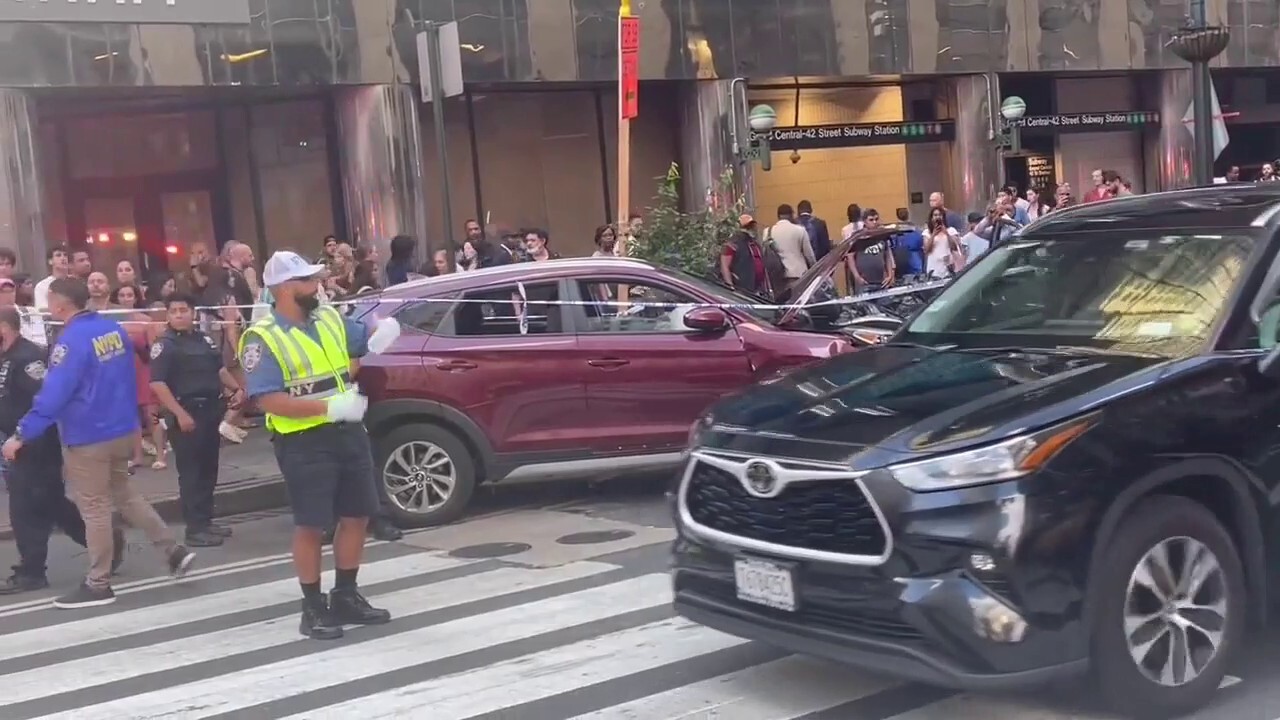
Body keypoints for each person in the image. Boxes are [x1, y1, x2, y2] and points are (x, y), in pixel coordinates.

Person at [2, 278, 195, 608]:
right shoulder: (112, 330)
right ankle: (171, 549)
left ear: (61, 305)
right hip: (120, 427)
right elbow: (126, 376)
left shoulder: (70, 341)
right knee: (125, 495)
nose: (48, 307)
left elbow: (54, 394)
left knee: (94, 509)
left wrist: (21, 435)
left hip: (87, 433)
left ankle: (98, 582)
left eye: (50, 301)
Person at [239, 251, 398, 639]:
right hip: (303, 440)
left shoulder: (327, 316)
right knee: (312, 524)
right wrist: (329, 408)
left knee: (357, 515)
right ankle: (312, 607)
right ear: (284, 289)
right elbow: (267, 400)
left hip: (347, 430)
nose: (318, 286)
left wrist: (379, 339)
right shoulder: (261, 338)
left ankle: (346, 593)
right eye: (308, 281)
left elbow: (353, 356)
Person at [0, 307, 125, 594]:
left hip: (36, 442)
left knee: (26, 507)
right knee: (49, 502)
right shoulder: (6, 356)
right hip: (15, 440)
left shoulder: (28, 358)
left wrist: (23, 436)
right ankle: (106, 543)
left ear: (5, 327)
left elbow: (46, 399)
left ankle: (32, 571)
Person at [149, 294, 246, 548]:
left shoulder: (203, 339)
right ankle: (194, 528)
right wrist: (180, 413)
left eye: (184, 310)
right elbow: (157, 383)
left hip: (210, 408)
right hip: (185, 411)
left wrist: (236, 389)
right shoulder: (165, 344)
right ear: (168, 315)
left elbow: (219, 369)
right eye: (174, 311)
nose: (179, 315)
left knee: (208, 469)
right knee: (191, 473)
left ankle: (206, 521)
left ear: (193, 312)